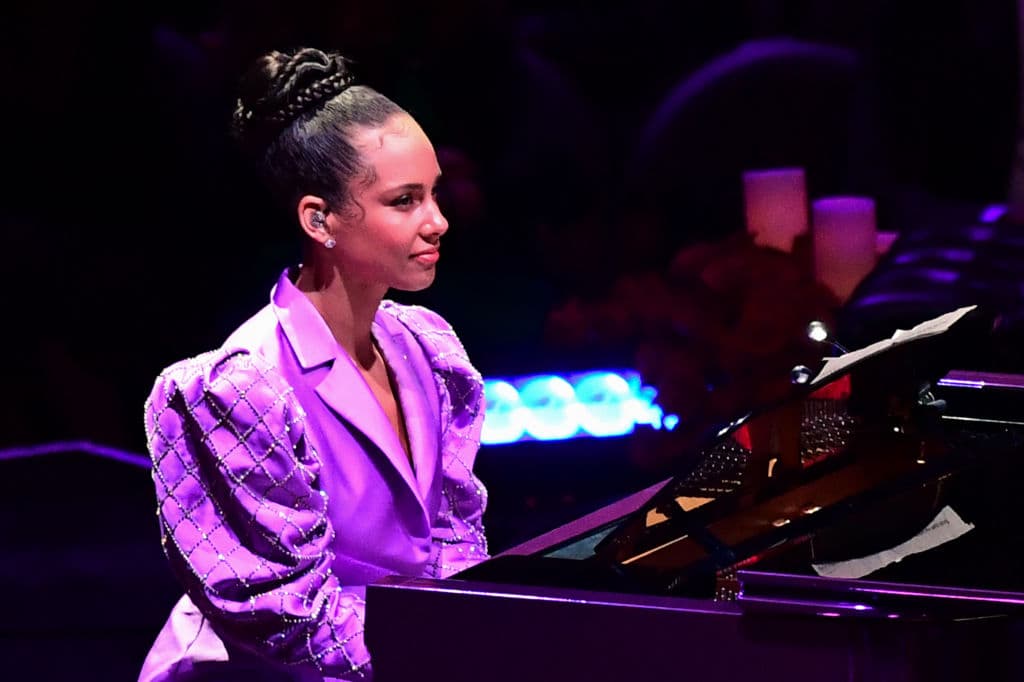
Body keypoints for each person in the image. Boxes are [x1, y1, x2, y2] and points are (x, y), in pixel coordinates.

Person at [138, 46, 489, 681]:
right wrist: (443, 650)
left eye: (434, 192)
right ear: (319, 219)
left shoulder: (428, 350)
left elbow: (451, 549)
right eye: (404, 200)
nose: (438, 221)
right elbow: (287, 619)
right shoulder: (241, 388)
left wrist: (480, 635)